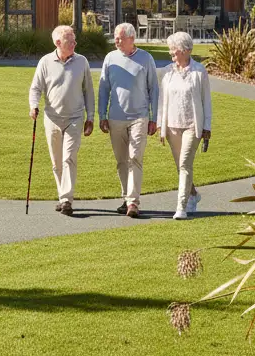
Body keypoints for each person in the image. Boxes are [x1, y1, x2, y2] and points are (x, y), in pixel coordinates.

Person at [28, 24, 95, 216]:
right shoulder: (45, 62)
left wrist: (90, 117)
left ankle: (66, 199)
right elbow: (35, 88)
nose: (75, 43)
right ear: (58, 42)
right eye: (70, 40)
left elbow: (88, 91)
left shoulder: (82, 61)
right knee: (56, 162)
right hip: (52, 119)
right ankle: (62, 195)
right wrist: (33, 105)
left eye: (74, 39)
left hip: (75, 118)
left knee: (69, 158)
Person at [98, 22, 159, 218]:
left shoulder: (146, 58)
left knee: (135, 158)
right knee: (121, 161)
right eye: (115, 37)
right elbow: (103, 88)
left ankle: (133, 202)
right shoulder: (110, 58)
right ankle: (126, 198)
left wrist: (154, 117)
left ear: (131, 39)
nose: (116, 40)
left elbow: (154, 90)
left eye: (120, 37)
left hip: (139, 117)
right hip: (116, 118)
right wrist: (102, 115)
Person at [158, 30, 212, 220]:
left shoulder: (199, 71)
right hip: (172, 125)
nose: (171, 52)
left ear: (185, 50)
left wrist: (207, 126)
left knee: (184, 164)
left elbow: (206, 101)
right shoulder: (167, 72)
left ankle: (181, 206)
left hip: (192, 126)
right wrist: (160, 126)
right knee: (181, 167)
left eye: (174, 49)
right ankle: (194, 194)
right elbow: (162, 101)